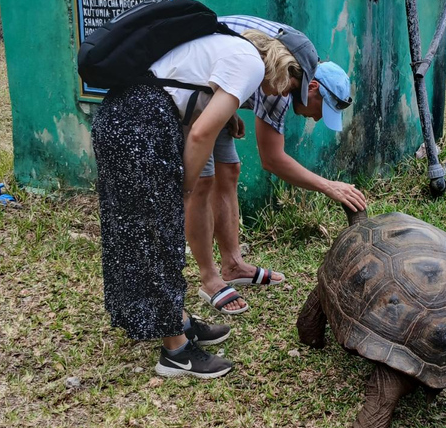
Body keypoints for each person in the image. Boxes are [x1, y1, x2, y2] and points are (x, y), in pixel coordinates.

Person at [91, 26, 302, 378]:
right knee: (158, 238)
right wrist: (185, 187)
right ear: (283, 68)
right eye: (289, 87)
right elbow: (203, 131)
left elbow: (192, 94)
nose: (281, 95)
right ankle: (175, 353)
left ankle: (177, 320)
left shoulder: (230, 50)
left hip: (124, 117)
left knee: (135, 232)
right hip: (142, 124)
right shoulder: (250, 64)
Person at [186, 16, 368, 315]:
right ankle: (210, 279)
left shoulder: (295, 66)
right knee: (202, 181)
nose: (317, 119)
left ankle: (233, 264)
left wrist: (229, 109)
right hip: (189, 85)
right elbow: (272, 160)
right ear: (311, 88)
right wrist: (328, 186)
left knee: (228, 170)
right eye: (321, 110)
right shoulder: (285, 84)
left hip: (213, 85)